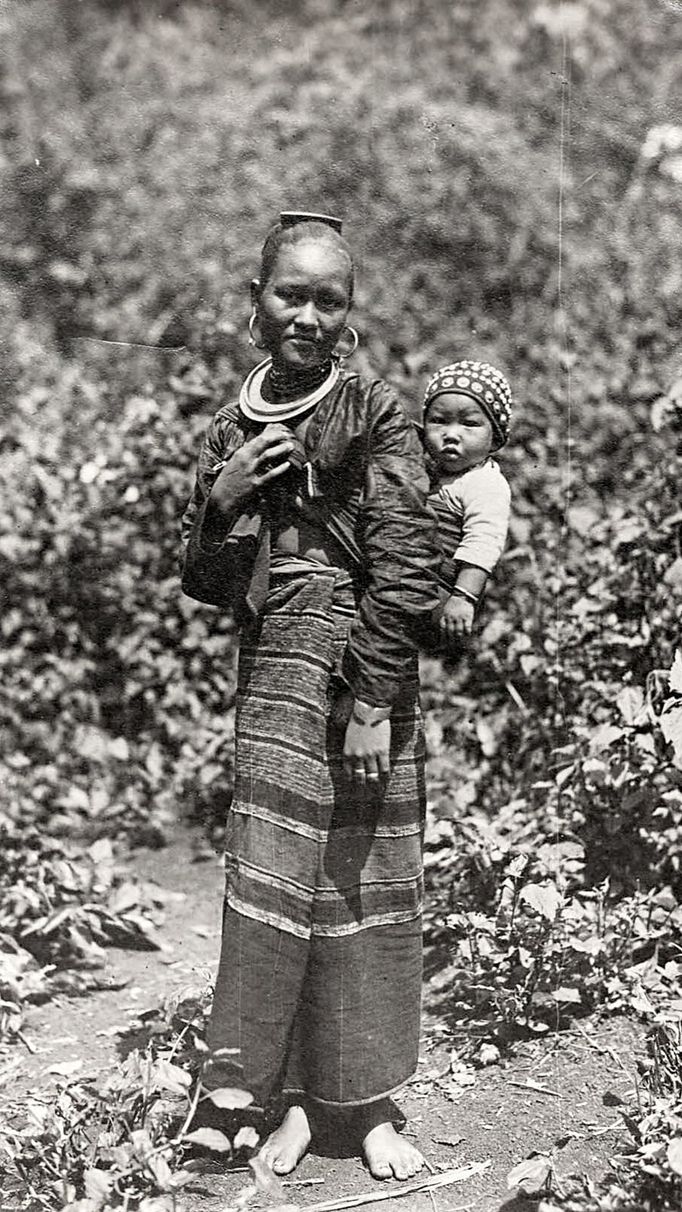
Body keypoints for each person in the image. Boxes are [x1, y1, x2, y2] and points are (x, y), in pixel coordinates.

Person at [180, 212, 441, 1180]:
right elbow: (204, 580)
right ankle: (275, 1099)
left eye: (329, 300)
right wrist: (224, 498)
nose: (309, 315)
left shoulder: (376, 413)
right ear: (255, 301)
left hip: (362, 668)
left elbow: (407, 564)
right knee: (273, 878)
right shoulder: (227, 424)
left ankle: (364, 1107)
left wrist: (372, 697)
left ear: (351, 313)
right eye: (291, 294)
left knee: (362, 877)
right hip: (274, 673)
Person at [420, 359, 512, 644]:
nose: (451, 434)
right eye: (438, 421)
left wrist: (463, 597)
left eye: (469, 424)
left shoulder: (485, 483)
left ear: (495, 438)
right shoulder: (426, 469)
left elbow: (483, 543)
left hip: (442, 591)